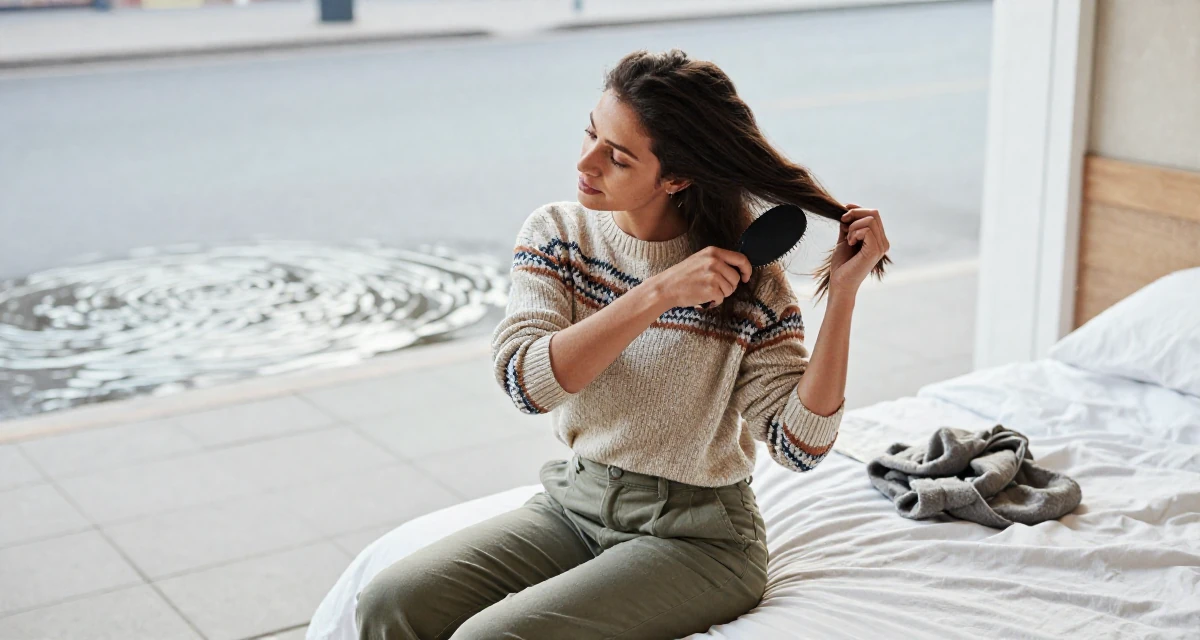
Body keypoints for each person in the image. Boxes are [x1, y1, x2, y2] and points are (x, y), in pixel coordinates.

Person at [355, 48, 890, 640]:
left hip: (700, 539)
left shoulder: (752, 283)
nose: (586, 162)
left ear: (677, 177)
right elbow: (524, 382)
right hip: (574, 505)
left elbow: (800, 447)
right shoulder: (558, 235)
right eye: (590, 132)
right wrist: (658, 293)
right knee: (388, 601)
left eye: (617, 156)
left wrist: (842, 295)